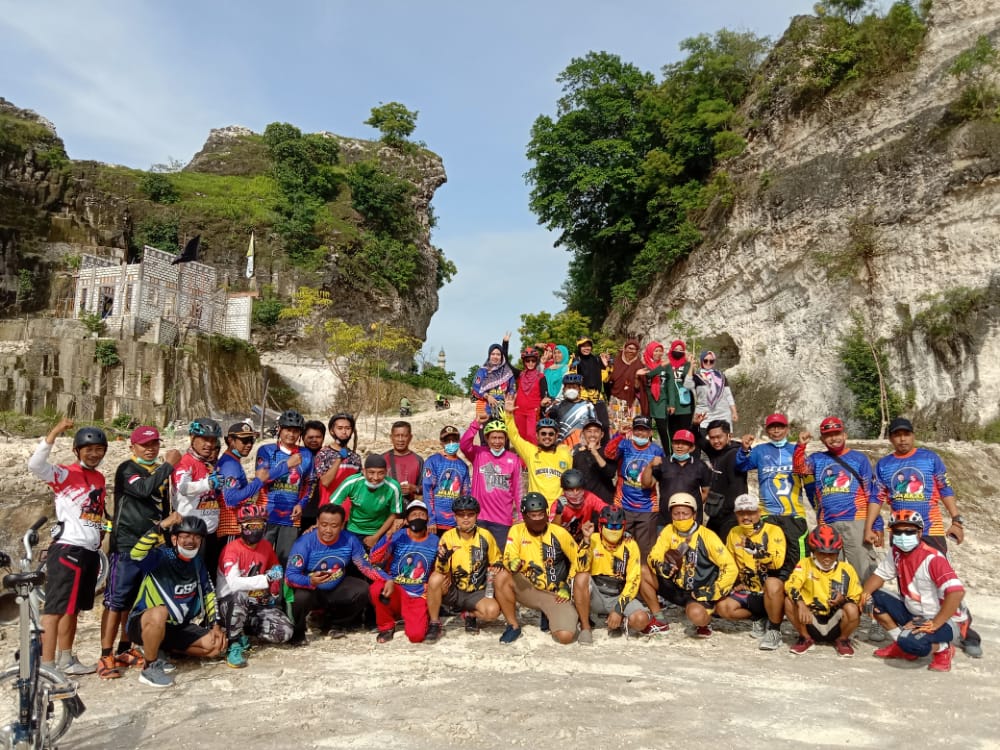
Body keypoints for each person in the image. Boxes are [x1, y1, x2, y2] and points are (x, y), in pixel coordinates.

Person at [867, 417, 981, 657]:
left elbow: (945, 489)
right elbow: (877, 498)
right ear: (890, 438)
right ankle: (912, 634)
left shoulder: (930, 458)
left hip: (930, 531)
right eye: (897, 435)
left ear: (912, 435)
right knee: (907, 586)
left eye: (906, 434)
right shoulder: (884, 464)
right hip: (900, 531)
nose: (902, 439)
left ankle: (966, 633)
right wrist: (870, 526)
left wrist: (957, 520)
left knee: (945, 585)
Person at [98, 426, 182, 679]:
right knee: (115, 601)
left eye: (155, 443)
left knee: (136, 602)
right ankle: (105, 655)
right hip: (126, 546)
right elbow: (143, 489)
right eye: (145, 444)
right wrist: (168, 465)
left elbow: (163, 507)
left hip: (152, 545)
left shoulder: (158, 471)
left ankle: (126, 649)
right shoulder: (127, 469)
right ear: (132, 447)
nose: (151, 448)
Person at [28, 418, 108, 678]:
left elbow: (96, 515)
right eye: (88, 449)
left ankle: (66, 659)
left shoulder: (99, 478)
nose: (94, 454)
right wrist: (55, 432)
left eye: (99, 449)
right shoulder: (64, 474)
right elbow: (35, 465)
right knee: (55, 608)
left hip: (89, 551)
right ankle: (48, 665)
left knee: (73, 609)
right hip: (68, 549)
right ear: (77, 451)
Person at [861, 509, 966, 671]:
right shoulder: (896, 552)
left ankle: (943, 649)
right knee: (872, 597)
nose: (903, 536)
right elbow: (879, 576)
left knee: (911, 643)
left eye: (909, 531)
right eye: (898, 531)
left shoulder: (933, 558)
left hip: (944, 619)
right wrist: (863, 595)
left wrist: (934, 623)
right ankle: (901, 645)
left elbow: (957, 592)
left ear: (920, 532)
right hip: (914, 612)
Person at [128, 516, 225, 688]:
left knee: (216, 646)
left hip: (176, 627)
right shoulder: (161, 557)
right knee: (160, 612)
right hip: (144, 623)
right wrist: (162, 525)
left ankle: (161, 649)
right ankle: (150, 667)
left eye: (196, 537)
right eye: (185, 536)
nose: (191, 541)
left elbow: (209, 593)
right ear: (174, 539)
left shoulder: (197, 563)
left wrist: (215, 624)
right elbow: (136, 554)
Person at [793, 416, 879, 581]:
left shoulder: (859, 458)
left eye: (837, 433)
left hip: (857, 520)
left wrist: (876, 524)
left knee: (863, 571)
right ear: (822, 439)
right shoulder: (817, 459)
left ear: (845, 435)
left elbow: (871, 492)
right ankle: (838, 607)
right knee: (831, 575)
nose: (833, 438)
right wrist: (800, 446)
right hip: (828, 523)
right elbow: (799, 468)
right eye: (828, 435)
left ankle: (868, 605)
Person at [640, 493, 736, 637]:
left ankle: (706, 619)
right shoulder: (668, 531)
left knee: (696, 615)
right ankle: (659, 619)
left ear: (694, 514)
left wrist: (712, 592)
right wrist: (661, 567)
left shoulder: (708, 536)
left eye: (685, 514)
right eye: (676, 514)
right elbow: (654, 555)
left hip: (699, 591)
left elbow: (730, 567)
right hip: (676, 586)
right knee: (642, 571)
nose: (680, 517)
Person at [285, 504, 382, 645]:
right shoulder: (304, 542)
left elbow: (366, 567)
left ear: (342, 525)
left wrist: (387, 579)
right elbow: (290, 575)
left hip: (336, 586)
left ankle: (335, 623)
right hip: (312, 589)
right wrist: (309, 581)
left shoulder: (350, 539)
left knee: (362, 589)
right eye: (324, 525)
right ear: (317, 522)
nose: (328, 530)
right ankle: (299, 631)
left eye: (334, 525)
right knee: (300, 597)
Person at [494, 492, 580, 645]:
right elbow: (508, 556)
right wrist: (512, 564)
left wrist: (568, 585)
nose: (538, 519)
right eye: (533, 515)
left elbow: (579, 560)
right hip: (529, 588)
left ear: (547, 514)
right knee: (501, 576)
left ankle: (551, 615)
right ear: (525, 516)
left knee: (565, 637)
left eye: (541, 514)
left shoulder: (559, 532)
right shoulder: (516, 531)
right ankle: (513, 626)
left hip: (555, 593)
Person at [216, 506, 293, 668]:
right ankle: (233, 643)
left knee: (285, 632)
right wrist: (266, 579)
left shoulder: (265, 546)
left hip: (256, 603)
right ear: (240, 527)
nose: (255, 530)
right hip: (229, 603)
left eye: (259, 525)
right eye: (250, 526)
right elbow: (234, 583)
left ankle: (245, 629)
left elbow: (276, 570)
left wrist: (273, 586)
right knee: (240, 594)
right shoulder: (232, 549)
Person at [736, 413, 809, 573]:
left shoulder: (796, 450)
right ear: (767, 431)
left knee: (798, 563)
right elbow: (742, 467)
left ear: (787, 429)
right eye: (772, 427)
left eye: (780, 426)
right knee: (768, 559)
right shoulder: (760, 450)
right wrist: (744, 449)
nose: (776, 430)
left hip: (794, 514)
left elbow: (807, 477)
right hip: (768, 515)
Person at [425, 495, 502, 641]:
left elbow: (496, 559)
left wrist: (498, 564)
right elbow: (440, 570)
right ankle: (434, 623)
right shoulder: (447, 537)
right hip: (453, 589)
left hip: (476, 592)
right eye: (461, 515)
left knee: (492, 612)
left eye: (470, 514)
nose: (465, 518)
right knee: (435, 579)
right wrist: (442, 560)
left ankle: (469, 614)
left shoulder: (485, 536)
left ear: (476, 515)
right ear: (455, 517)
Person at [716, 494, 787, 651]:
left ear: (759, 512)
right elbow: (729, 563)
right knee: (722, 607)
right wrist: (733, 584)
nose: (746, 517)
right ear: (736, 515)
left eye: (751, 512)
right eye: (741, 513)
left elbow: (777, 562)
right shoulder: (734, 532)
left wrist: (757, 552)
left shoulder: (774, 531)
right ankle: (759, 617)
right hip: (749, 591)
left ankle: (775, 630)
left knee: (772, 584)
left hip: (770, 591)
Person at [573, 505, 649, 643]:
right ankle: (585, 627)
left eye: (617, 527)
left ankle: (619, 621)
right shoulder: (593, 539)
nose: (613, 530)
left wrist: (619, 609)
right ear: (600, 526)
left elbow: (633, 580)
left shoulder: (630, 545)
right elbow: (580, 567)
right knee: (581, 577)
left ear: (624, 527)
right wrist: (585, 541)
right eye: (608, 526)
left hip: (618, 594)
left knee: (641, 620)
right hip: (595, 593)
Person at [784, 524, 862, 657]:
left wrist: (842, 600)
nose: (827, 558)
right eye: (822, 553)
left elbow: (856, 596)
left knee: (852, 609)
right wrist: (801, 603)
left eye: (831, 554)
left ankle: (842, 640)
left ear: (838, 553)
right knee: (788, 601)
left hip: (835, 622)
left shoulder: (847, 569)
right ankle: (805, 638)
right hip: (809, 620)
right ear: (813, 551)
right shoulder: (805, 564)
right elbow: (790, 585)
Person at [368, 500, 440, 643]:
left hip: (418, 594)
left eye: (422, 514)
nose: (418, 517)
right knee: (377, 588)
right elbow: (374, 559)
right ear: (406, 520)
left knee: (416, 636)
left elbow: (436, 568)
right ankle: (386, 626)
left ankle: (410, 617)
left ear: (427, 518)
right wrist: (389, 534)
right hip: (396, 588)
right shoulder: (398, 535)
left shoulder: (435, 541)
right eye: (414, 515)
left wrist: (430, 587)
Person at [255, 409, 314, 565]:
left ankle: (279, 589)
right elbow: (262, 479)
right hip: (266, 513)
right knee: (260, 559)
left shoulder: (306, 454)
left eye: (296, 431)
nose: (291, 434)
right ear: (279, 429)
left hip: (291, 517)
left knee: (284, 560)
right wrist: (288, 464)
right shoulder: (266, 451)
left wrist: (301, 505)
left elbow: (309, 484)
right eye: (288, 429)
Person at [604, 416, 666, 558]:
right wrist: (619, 434)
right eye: (637, 429)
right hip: (623, 504)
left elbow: (659, 476)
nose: (640, 434)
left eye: (644, 430)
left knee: (645, 550)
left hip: (647, 507)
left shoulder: (657, 451)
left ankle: (643, 577)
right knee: (620, 547)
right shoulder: (625, 445)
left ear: (650, 433)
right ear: (632, 430)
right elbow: (609, 453)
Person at [172, 417, 226, 575]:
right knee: (190, 577)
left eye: (212, 440)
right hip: (190, 533)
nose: (209, 444)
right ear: (192, 438)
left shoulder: (207, 463)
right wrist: (207, 484)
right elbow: (183, 487)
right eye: (204, 439)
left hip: (209, 532)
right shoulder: (185, 462)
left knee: (207, 576)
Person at [460, 416, 522, 548]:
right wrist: (475, 424)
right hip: (479, 517)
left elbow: (518, 490)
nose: (497, 442)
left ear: (506, 439)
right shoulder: (478, 454)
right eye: (493, 438)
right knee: (478, 558)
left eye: (501, 438)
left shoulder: (513, 459)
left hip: (503, 520)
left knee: (499, 560)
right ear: (487, 439)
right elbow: (464, 445)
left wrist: (521, 517)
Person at [503, 393, 572, 509]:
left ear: (556, 436)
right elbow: (514, 436)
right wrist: (509, 415)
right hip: (536, 509)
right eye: (543, 434)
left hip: (559, 510)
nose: (547, 437)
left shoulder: (565, 452)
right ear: (537, 436)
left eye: (551, 434)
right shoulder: (530, 452)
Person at [329, 454, 403, 550]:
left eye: (381, 473)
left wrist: (376, 537)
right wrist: (337, 528)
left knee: (376, 563)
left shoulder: (393, 487)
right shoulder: (352, 482)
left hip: (380, 532)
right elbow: (333, 505)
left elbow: (394, 514)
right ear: (363, 471)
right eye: (371, 472)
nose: (375, 478)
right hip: (353, 530)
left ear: (386, 472)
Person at [691, 416, 747, 542]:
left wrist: (725, 512)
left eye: (719, 437)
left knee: (724, 551)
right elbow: (699, 440)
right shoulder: (715, 451)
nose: (716, 441)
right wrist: (695, 426)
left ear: (729, 436)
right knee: (710, 547)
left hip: (732, 513)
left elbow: (736, 488)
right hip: (717, 511)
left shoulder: (734, 455)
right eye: (712, 438)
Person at [641, 429, 712, 526]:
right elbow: (646, 485)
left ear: (691, 448)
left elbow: (705, 492)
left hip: (691, 521)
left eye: (684, 443)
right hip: (666, 521)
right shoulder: (663, 463)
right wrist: (649, 466)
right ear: (672, 445)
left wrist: (688, 506)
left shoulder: (700, 465)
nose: (680, 446)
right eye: (676, 443)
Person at [216, 422, 267, 548]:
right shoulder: (230, 465)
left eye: (251, 440)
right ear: (231, 441)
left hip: (231, 525)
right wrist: (258, 482)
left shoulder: (232, 460)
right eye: (244, 440)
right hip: (230, 527)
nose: (249, 444)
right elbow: (231, 499)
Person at [422, 425, 472, 535]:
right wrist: (431, 519)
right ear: (441, 443)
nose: (451, 443)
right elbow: (427, 491)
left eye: (454, 440)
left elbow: (465, 495)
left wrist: (463, 519)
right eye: (447, 440)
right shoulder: (433, 461)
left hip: (455, 523)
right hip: (435, 523)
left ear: (458, 441)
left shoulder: (463, 466)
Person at [548, 469, 608, 544]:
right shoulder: (558, 504)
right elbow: (552, 530)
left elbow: (608, 510)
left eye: (578, 489)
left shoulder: (589, 497)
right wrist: (558, 513)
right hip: (562, 542)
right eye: (571, 490)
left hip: (582, 538)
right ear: (564, 490)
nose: (575, 493)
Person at [316, 413, 362, 505]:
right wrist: (339, 459)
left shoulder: (355, 457)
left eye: (348, 428)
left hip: (350, 514)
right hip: (329, 511)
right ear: (332, 431)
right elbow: (325, 482)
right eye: (340, 428)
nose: (344, 432)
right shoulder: (323, 454)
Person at [686, 351, 738, 432]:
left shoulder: (721, 375)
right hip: (704, 416)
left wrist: (734, 412)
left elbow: (728, 395)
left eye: (711, 361)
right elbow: (687, 385)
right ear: (701, 361)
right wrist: (690, 366)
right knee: (703, 443)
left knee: (724, 442)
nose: (708, 363)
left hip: (723, 415)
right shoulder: (697, 376)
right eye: (705, 360)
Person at [635, 341, 672, 449]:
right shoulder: (644, 364)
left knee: (663, 429)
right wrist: (661, 366)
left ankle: (668, 454)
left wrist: (671, 403)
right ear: (650, 351)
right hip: (647, 401)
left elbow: (670, 386)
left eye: (661, 351)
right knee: (647, 429)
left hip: (661, 401)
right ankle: (647, 451)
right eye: (656, 350)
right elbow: (648, 376)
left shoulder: (666, 365)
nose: (659, 353)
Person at [570, 336, 611, 432]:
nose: (586, 348)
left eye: (588, 346)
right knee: (583, 426)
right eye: (583, 346)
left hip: (597, 397)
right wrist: (573, 366)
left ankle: (604, 446)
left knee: (604, 425)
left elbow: (604, 379)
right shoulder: (575, 359)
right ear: (579, 347)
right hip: (582, 397)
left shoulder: (596, 359)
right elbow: (571, 378)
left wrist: (607, 366)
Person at [571, 418, 616, 504]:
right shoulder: (577, 455)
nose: (592, 434)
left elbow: (610, 473)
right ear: (583, 434)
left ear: (602, 434)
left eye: (596, 431)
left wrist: (595, 453)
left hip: (604, 503)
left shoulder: (608, 452)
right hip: (585, 504)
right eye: (589, 431)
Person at [545, 372, 598, 445]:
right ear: (564, 389)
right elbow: (545, 422)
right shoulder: (557, 405)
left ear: (580, 389)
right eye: (569, 387)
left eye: (574, 387)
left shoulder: (588, 406)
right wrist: (542, 407)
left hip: (581, 447)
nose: (571, 390)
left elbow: (594, 428)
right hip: (561, 447)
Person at [512, 345, 550, 444]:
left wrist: (545, 401)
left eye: (533, 361)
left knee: (532, 437)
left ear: (536, 361)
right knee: (521, 438)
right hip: (519, 412)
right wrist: (505, 343)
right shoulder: (520, 375)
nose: (530, 363)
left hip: (533, 413)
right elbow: (506, 363)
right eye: (527, 361)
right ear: (524, 362)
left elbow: (545, 395)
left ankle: (534, 459)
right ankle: (522, 459)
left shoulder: (541, 377)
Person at [471, 342, 516, 420]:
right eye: (493, 354)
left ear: (502, 356)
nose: (495, 357)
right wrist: (487, 397)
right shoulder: (482, 371)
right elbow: (476, 388)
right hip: (485, 410)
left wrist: (508, 398)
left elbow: (512, 389)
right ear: (489, 355)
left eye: (498, 354)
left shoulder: (508, 372)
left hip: (504, 411)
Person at [605, 336, 643, 427]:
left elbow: (639, 388)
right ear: (624, 348)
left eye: (634, 349)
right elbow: (608, 380)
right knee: (615, 428)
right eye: (629, 348)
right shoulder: (615, 362)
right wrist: (606, 367)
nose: (631, 351)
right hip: (616, 400)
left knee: (631, 429)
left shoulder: (639, 365)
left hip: (633, 402)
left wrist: (637, 377)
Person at [382, 420, 422, 504]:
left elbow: (425, 488)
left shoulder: (418, 460)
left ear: (410, 437)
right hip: (386, 508)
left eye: (404, 436)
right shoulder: (382, 459)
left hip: (410, 508)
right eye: (397, 436)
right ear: (391, 437)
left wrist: (414, 488)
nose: (400, 439)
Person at [299, 420, 327, 532]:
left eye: (318, 437)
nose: (314, 440)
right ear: (303, 437)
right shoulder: (296, 456)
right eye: (310, 437)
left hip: (321, 512)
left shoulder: (328, 456)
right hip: (298, 512)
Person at [665, 340, 696, 442]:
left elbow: (689, 379)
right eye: (676, 349)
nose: (678, 351)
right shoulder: (666, 364)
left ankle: (686, 453)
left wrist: (691, 364)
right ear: (671, 349)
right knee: (672, 431)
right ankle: (673, 454)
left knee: (685, 430)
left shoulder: (686, 364)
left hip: (684, 403)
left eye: (681, 350)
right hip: (670, 403)